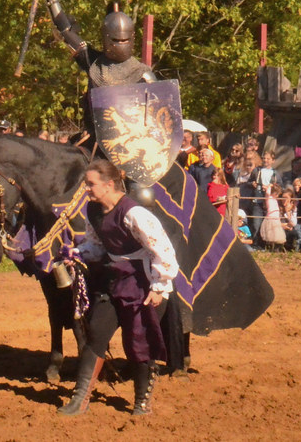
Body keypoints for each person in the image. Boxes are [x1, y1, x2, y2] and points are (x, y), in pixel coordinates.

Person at [59, 159, 178, 417]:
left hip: (144, 283)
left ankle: (141, 402)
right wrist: (78, 253)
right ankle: (80, 399)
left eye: (91, 184)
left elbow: (164, 251)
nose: (86, 189)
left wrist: (159, 286)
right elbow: (97, 245)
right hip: (113, 280)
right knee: (96, 335)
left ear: (109, 184)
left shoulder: (135, 214)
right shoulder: (93, 211)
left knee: (140, 340)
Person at [35, 0, 155, 135]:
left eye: (124, 40)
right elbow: (66, 31)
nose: (120, 43)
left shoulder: (143, 74)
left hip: (135, 140)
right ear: (106, 38)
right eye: (115, 40)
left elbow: (155, 119)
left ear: (131, 38)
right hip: (95, 138)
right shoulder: (94, 63)